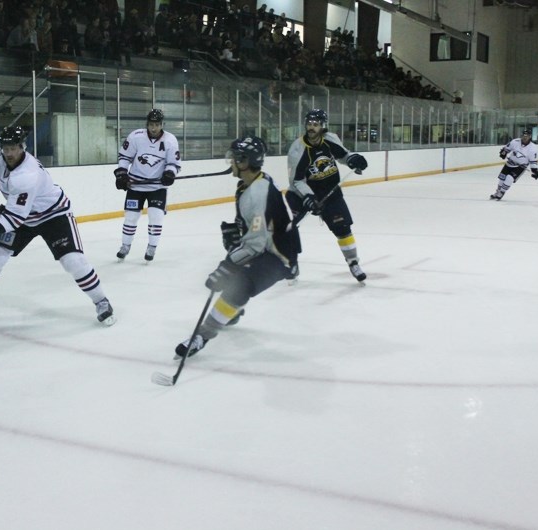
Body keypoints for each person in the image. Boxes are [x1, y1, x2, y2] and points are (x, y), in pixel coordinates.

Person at [0, 125, 116, 326]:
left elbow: (14, 218)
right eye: (6, 148)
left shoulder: (26, 174)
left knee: (73, 261)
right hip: (21, 216)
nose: (9, 153)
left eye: (14, 148)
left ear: (22, 147)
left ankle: (101, 301)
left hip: (53, 215)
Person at [175, 137, 298, 357]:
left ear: (244, 162)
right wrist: (238, 233)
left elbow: (257, 243)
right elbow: (260, 228)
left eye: (233, 158)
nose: (230, 162)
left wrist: (227, 265)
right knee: (233, 279)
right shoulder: (250, 183)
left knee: (239, 285)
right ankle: (230, 313)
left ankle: (202, 335)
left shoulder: (257, 193)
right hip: (267, 246)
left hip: (278, 256)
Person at [285, 109, 369, 283]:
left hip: (330, 192)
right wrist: (309, 198)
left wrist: (353, 159)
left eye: (315, 124)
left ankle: (353, 263)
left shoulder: (330, 139)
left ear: (323, 126)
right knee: (289, 227)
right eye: (309, 124)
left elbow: (344, 155)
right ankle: (291, 262)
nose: (311, 128)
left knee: (343, 228)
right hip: (301, 193)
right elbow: (296, 181)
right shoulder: (297, 149)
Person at [114, 109, 181, 262]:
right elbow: (124, 157)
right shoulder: (136, 136)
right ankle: (125, 245)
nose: (153, 128)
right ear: (147, 124)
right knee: (130, 217)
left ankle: (152, 247)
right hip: (135, 185)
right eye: (151, 124)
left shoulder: (170, 140)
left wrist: (169, 173)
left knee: (156, 217)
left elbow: (174, 163)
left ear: (162, 124)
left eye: (157, 125)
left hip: (157, 187)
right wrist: (122, 174)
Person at [490, 128, 538, 201]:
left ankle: (502, 192)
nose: (525, 137)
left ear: (530, 137)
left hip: (520, 167)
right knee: (502, 179)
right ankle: (497, 192)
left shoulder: (533, 148)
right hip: (509, 163)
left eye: (527, 136)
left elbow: (533, 161)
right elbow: (506, 148)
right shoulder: (515, 141)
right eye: (524, 135)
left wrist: (535, 170)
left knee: (509, 178)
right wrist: (503, 153)